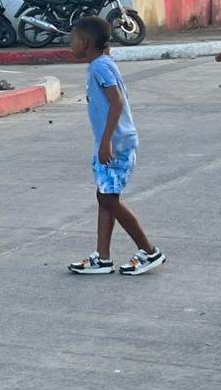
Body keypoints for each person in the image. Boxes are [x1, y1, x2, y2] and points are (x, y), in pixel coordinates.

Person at [66, 16, 165, 276]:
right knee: (105, 197)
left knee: (109, 198)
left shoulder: (99, 67)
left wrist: (106, 141)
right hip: (114, 141)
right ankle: (103, 257)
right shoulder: (102, 62)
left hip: (117, 144)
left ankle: (149, 251)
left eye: (74, 40)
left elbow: (117, 103)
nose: (71, 44)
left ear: (85, 42)